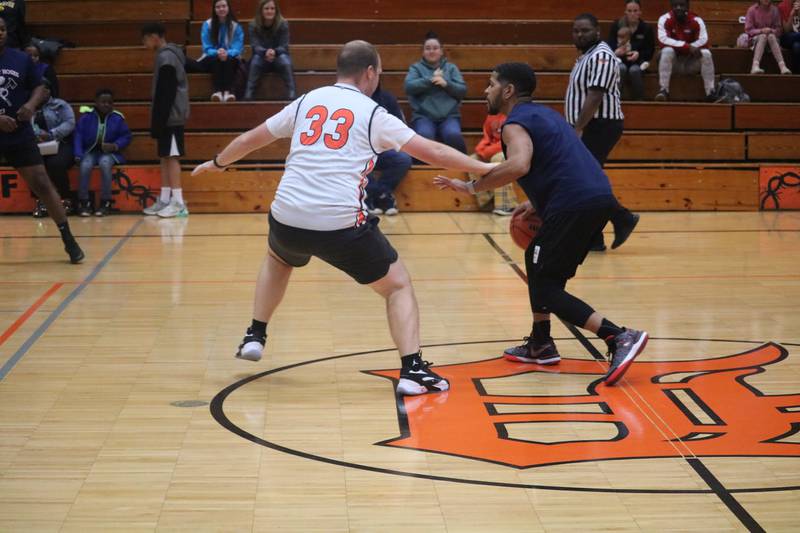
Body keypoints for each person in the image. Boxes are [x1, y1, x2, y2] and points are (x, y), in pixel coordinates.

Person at [192, 40, 496, 396]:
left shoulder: (307, 101)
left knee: (278, 257)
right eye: (378, 73)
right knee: (397, 285)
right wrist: (484, 166)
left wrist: (215, 163)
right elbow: (434, 151)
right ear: (369, 73)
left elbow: (249, 140)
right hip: (338, 221)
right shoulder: (373, 113)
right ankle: (413, 370)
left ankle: (255, 334)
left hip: (287, 214)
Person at [434, 63, 649, 386]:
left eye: (491, 84)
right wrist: (536, 202)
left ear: (508, 91)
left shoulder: (514, 123)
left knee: (545, 287)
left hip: (573, 203)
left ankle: (618, 336)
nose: (486, 90)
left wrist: (471, 187)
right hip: (595, 196)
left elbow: (519, 164)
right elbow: (562, 161)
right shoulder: (547, 115)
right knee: (536, 261)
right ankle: (541, 342)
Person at [0, 18, 83, 263]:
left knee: (43, 183)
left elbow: (39, 88)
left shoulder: (20, 58)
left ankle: (68, 238)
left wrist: (30, 105)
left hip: (19, 132)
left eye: (2, 28)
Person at [568, 13, 639, 251]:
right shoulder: (585, 56)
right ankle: (596, 237)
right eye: (576, 30)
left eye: (585, 30)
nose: (579, 34)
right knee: (587, 181)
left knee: (586, 180)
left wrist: (578, 128)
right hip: (589, 125)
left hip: (599, 125)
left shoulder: (601, 55)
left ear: (597, 31)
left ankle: (622, 218)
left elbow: (595, 94)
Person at [141, 22, 190, 218]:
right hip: (167, 117)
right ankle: (165, 198)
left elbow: (166, 93)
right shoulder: (166, 55)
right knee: (165, 156)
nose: (144, 44)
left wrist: (158, 121)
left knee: (172, 157)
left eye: (145, 39)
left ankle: (178, 203)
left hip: (172, 117)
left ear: (154, 36)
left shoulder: (167, 57)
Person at [404, 32, 467, 153]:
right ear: (423, 52)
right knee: (424, 135)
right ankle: (422, 171)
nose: (431, 51)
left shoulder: (451, 68)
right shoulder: (416, 68)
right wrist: (430, 79)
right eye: (428, 48)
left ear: (441, 51)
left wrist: (446, 84)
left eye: (435, 48)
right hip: (423, 116)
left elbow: (462, 90)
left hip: (449, 116)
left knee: (453, 135)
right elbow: (409, 87)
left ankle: (461, 168)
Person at [74, 89, 133, 217]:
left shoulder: (118, 118)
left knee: (105, 164)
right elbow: (78, 135)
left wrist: (115, 145)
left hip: (110, 154)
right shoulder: (86, 117)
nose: (106, 104)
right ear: (96, 102)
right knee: (85, 165)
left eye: (109, 102)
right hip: (90, 151)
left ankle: (105, 202)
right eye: (103, 102)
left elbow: (126, 136)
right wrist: (78, 153)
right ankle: (84, 202)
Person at [365, 83, 412, 216]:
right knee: (357, 159)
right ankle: (374, 194)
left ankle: (381, 193)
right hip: (360, 149)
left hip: (383, 148)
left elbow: (401, 126)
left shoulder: (387, 98)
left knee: (403, 159)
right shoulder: (351, 99)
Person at [656, 0, 716, 101]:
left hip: (690, 63)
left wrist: (688, 48)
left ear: (687, 6)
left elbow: (704, 41)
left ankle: (710, 93)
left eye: (681, 5)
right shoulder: (664, 19)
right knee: (667, 51)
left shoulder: (697, 20)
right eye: (675, 5)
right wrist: (687, 47)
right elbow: (663, 40)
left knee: (706, 53)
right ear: (671, 6)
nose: (678, 7)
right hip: (674, 63)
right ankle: (663, 90)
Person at [31, 78, 74, 218]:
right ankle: (42, 201)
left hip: (60, 143)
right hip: (37, 144)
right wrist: (35, 136)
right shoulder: (29, 107)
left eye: (41, 90)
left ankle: (65, 199)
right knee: (34, 165)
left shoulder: (61, 105)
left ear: (48, 91)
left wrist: (51, 134)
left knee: (56, 163)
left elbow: (70, 123)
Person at [245, 0, 295, 100]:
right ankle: (248, 93)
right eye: (266, 8)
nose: (269, 11)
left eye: (272, 8)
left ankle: (292, 92)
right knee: (255, 61)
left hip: (278, 56)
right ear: (261, 11)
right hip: (261, 56)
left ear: (276, 10)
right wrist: (265, 52)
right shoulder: (253, 25)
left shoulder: (283, 24)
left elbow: (284, 46)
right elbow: (255, 46)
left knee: (285, 61)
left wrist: (274, 52)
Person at [469, 112, 517, 215]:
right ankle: (487, 201)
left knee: (498, 159)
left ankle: (507, 205)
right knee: (472, 161)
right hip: (494, 148)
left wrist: (488, 151)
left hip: (514, 151)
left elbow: (511, 141)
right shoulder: (492, 115)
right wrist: (481, 148)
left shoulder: (516, 115)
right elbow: (487, 137)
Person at [607, 0, 656, 101]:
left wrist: (638, 54)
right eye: (629, 11)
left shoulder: (646, 28)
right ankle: (614, 100)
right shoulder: (617, 25)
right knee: (621, 69)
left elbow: (650, 51)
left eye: (635, 11)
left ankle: (639, 100)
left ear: (640, 12)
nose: (632, 14)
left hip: (638, 62)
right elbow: (609, 46)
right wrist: (616, 52)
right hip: (620, 60)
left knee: (634, 70)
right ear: (625, 12)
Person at [196, 0, 244, 102]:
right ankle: (217, 92)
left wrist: (227, 53)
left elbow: (238, 47)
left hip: (231, 58)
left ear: (228, 8)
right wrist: (217, 52)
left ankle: (228, 92)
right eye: (218, 7)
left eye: (223, 6)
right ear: (214, 9)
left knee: (228, 60)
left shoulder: (236, 26)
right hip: (211, 57)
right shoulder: (207, 25)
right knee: (216, 59)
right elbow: (206, 47)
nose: (221, 9)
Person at [746, 0, 792, 74]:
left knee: (770, 36)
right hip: (756, 41)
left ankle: (783, 67)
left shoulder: (775, 10)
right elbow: (748, 29)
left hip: (772, 41)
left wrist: (771, 30)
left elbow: (779, 29)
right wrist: (761, 31)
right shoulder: (752, 10)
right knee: (763, 36)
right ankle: (755, 66)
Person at [779, 0, 800, 74]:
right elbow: (787, 30)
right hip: (787, 37)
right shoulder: (783, 5)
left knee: (797, 47)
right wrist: (792, 14)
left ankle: (796, 76)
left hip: (797, 40)